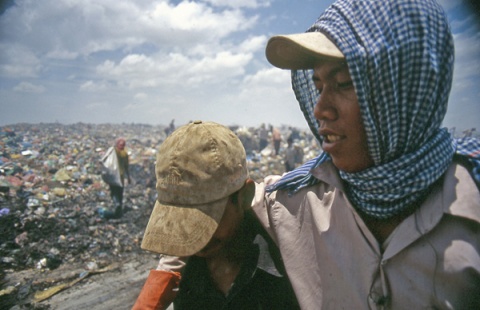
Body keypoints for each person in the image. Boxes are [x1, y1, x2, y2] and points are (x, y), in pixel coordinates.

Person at [253, 0, 480, 308]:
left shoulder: (471, 207)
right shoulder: (293, 203)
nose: (320, 108)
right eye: (318, 86)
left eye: (344, 82)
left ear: (408, 88)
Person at [133, 121, 299, 309]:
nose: (194, 233)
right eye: (181, 220)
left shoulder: (283, 246)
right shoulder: (185, 266)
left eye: (206, 216)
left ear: (243, 197)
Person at [99, 137, 131, 219]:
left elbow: (104, 159)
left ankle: (117, 205)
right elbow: (126, 166)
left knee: (114, 192)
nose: (122, 146)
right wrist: (128, 176)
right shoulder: (124, 153)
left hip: (114, 176)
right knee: (119, 192)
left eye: (122, 144)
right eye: (121, 144)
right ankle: (118, 210)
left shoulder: (114, 151)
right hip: (120, 177)